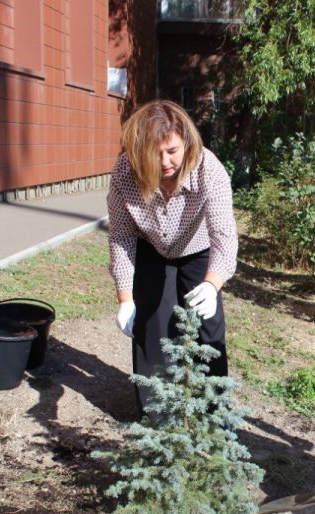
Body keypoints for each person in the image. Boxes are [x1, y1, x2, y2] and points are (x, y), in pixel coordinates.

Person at [107, 100, 237, 414]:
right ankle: (156, 413)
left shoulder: (208, 169)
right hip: (151, 248)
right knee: (152, 326)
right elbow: (122, 235)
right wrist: (125, 298)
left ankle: (213, 414)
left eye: (172, 151)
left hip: (198, 248)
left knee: (207, 326)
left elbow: (223, 234)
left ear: (186, 143)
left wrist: (212, 284)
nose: (165, 162)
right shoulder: (125, 173)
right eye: (155, 153)